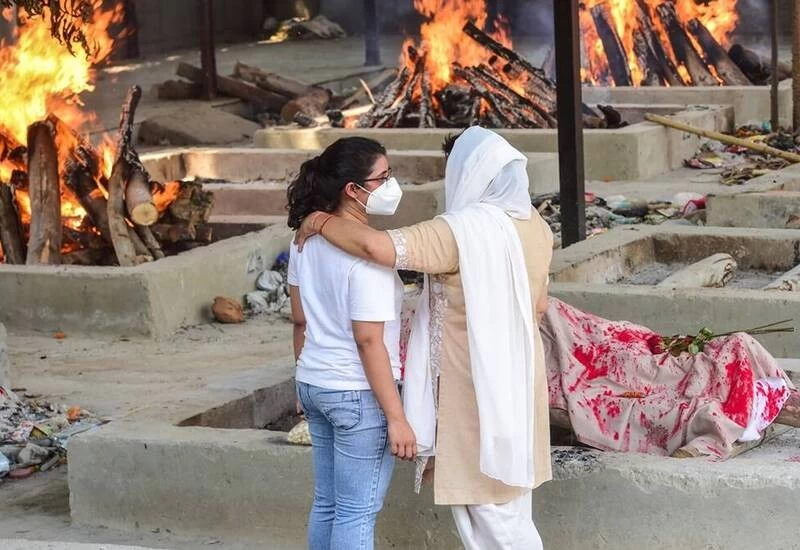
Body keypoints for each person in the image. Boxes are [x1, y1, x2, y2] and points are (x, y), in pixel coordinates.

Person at [295, 127, 553, 550]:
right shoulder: (535, 226)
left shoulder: (461, 232)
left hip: (473, 387)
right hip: (520, 377)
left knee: (488, 507)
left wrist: (319, 220)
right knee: (509, 503)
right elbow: (539, 305)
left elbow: (378, 248)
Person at [286, 137, 417, 550]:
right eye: (383, 177)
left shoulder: (302, 241)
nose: (391, 185)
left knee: (328, 503)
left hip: (315, 383)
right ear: (353, 189)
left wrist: (303, 377)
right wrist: (396, 417)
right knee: (356, 512)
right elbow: (368, 341)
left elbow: (299, 320)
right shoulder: (368, 259)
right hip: (357, 394)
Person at [540, 297, 800, 458]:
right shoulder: (762, 373)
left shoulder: (733, 417)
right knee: (615, 347)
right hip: (647, 356)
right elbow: (736, 343)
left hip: (653, 374)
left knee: (618, 361)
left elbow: (696, 442)